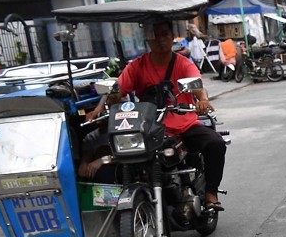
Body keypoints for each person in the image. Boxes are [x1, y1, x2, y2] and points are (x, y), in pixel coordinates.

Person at [83, 18, 227, 210]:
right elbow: (117, 91)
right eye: (155, 36)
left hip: (184, 125)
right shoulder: (137, 66)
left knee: (216, 143)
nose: (160, 40)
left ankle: (210, 194)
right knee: (124, 157)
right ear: (148, 39)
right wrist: (102, 106)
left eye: (165, 35)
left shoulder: (183, 64)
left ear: (172, 37)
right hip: (149, 128)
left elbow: (198, 86)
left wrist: (203, 100)